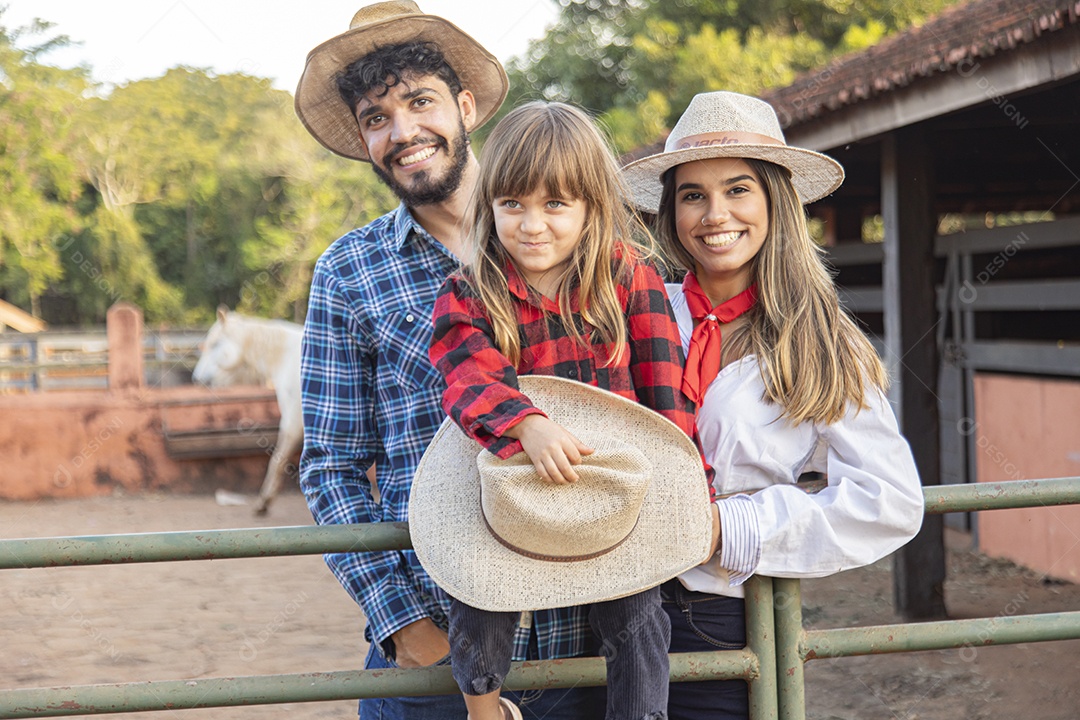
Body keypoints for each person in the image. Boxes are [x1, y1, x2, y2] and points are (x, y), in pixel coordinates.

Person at [295, 4, 602, 718]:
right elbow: (332, 468)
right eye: (376, 118)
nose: (402, 133)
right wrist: (407, 629)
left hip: (584, 629)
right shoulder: (350, 271)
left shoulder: (576, 234)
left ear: (464, 106)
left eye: (420, 101)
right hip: (438, 640)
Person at [622, 91, 926, 720]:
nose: (714, 215)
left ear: (774, 202)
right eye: (692, 195)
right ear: (671, 211)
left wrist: (732, 527)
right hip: (605, 608)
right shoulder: (632, 314)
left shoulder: (818, 339)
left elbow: (891, 501)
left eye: (738, 190)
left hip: (721, 615)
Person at [425, 101, 716, 720]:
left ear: (591, 208)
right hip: (509, 484)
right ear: (491, 206)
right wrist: (525, 421)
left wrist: (685, 484)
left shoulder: (627, 276)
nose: (533, 225)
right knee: (477, 591)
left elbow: (666, 393)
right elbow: (466, 369)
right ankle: (485, 709)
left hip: (608, 488)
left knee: (639, 617)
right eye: (513, 205)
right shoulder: (471, 289)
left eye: (555, 204)